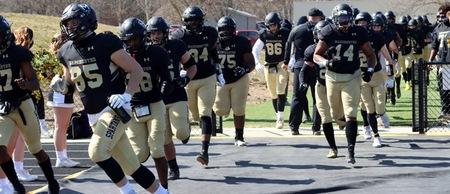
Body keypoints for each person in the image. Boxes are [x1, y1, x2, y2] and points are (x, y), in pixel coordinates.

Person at [53, 3, 167, 193]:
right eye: (68, 23)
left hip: (114, 109)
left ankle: (127, 192)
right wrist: (62, 88)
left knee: (96, 152)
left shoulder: (105, 42)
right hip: (93, 115)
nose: (70, 26)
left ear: (87, 21)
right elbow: (70, 85)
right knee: (132, 166)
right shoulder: (65, 51)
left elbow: (136, 70)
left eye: (74, 21)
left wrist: (126, 96)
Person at [0, 15, 60, 194]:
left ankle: (51, 181)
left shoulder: (18, 53)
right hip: (2, 107)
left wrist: (26, 85)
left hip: (22, 105)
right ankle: (17, 185)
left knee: (35, 148)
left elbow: (34, 81)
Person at [314, 3, 377, 164]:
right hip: (332, 77)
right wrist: (327, 63)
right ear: (335, 19)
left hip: (352, 76)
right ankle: (343, 135)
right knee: (336, 115)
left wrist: (369, 70)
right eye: (341, 19)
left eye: (347, 18)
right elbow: (316, 55)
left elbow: (371, 55)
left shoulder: (359, 32)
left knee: (351, 113)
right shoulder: (328, 31)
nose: (344, 22)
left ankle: (351, 151)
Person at [119, 17, 174, 190]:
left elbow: (167, 79)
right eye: (128, 39)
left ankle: (164, 189)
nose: (132, 43)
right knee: (139, 156)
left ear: (143, 37)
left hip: (155, 105)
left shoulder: (157, 53)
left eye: (134, 38)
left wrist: (166, 85)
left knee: (157, 149)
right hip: (134, 110)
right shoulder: (121, 57)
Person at [146, 16, 197, 180]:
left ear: (165, 33)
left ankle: (186, 128)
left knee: (181, 133)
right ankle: (173, 168)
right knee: (165, 138)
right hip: (156, 99)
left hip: (176, 95)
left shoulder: (176, 46)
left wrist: (186, 79)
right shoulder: (144, 50)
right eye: (152, 33)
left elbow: (192, 66)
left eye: (158, 33)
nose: (155, 37)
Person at [171, 5, 222, 166]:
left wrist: (218, 68)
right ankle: (188, 132)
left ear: (202, 20)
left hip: (207, 77)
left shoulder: (211, 33)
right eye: (191, 21)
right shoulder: (179, 36)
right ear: (185, 22)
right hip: (189, 80)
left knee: (205, 113)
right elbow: (174, 56)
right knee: (194, 115)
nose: (194, 24)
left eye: (197, 20)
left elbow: (213, 52)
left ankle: (204, 151)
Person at [304, 20, 346, 158]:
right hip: (321, 86)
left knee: (339, 116)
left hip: (336, 86)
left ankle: (342, 123)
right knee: (325, 118)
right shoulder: (312, 50)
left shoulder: (337, 48)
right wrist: (303, 82)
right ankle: (333, 148)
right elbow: (305, 68)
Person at [355, 12, 396, 148]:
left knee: (379, 104)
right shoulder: (353, 37)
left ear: (369, 23)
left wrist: (391, 77)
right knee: (368, 107)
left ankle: (382, 113)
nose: (361, 25)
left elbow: (388, 59)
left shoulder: (377, 37)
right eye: (359, 22)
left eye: (364, 22)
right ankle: (376, 136)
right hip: (361, 77)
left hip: (377, 75)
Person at [213, 16, 255, 146]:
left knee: (239, 108)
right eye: (223, 29)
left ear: (234, 29)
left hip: (239, 80)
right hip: (221, 80)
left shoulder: (242, 42)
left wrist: (244, 69)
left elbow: (251, 63)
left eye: (229, 29)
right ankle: (227, 106)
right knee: (220, 110)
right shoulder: (214, 43)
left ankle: (239, 137)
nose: (226, 32)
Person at [283, 7, 323, 135]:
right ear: (320, 18)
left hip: (301, 66)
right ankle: (316, 127)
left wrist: (285, 62)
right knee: (318, 97)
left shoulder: (297, 29)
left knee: (298, 97)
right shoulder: (323, 28)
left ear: (307, 17)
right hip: (318, 65)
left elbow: (288, 46)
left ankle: (294, 126)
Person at [46, 32, 80, 168]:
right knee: (60, 126)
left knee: (62, 126)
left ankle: (63, 156)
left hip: (62, 91)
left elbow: (47, 74)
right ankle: (60, 157)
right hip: (60, 91)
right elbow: (65, 76)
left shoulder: (55, 55)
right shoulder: (62, 54)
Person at [252, 11, 290, 129]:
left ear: (279, 24)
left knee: (281, 89)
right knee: (273, 93)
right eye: (271, 25)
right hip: (269, 65)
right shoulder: (264, 34)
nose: (273, 27)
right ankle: (278, 114)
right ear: (267, 25)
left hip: (281, 64)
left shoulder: (285, 33)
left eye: (275, 25)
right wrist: (257, 63)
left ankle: (280, 117)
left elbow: (291, 48)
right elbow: (255, 50)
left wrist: (289, 61)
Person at [429, 3, 450, 117]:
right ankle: (445, 111)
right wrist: (431, 60)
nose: (441, 17)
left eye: (444, 14)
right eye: (440, 15)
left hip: (448, 61)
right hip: (442, 62)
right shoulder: (438, 28)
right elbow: (434, 47)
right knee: (443, 89)